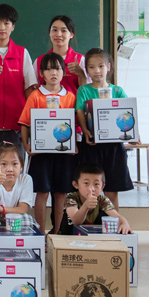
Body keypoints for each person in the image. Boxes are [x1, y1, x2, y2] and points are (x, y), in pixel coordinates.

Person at [19, 53, 76, 234]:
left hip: (63, 154)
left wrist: (74, 145)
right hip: (41, 154)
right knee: (41, 193)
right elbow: (25, 123)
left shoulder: (70, 97)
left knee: (61, 194)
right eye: (49, 69)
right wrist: (26, 145)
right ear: (41, 73)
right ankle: (40, 232)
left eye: (57, 68)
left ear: (64, 72)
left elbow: (75, 126)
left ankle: (57, 233)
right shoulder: (35, 96)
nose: (53, 73)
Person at [76, 48, 134, 210]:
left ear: (109, 67)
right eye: (91, 67)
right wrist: (85, 130)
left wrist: (135, 133)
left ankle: (113, 223)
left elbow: (127, 112)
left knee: (112, 188)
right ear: (86, 70)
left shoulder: (117, 91)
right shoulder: (84, 90)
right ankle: (89, 223)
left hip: (114, 147)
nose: (97, 71)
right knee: (89, 188)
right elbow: (80, 110)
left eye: (101, 66)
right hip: (92, 145)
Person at [0, 4, 37, 154]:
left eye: (6, 23)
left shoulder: (22, 53)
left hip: (15, 127)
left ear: (13, 27)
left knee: (13, 173)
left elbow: (29, 89)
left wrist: (31, 122)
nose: (2, 27)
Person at [59, 162, 132, 235]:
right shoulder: (71, 198)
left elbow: (117, 216)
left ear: (102, 187)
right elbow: (77, 221)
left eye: (96, 184)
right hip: (71, 236)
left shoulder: (102, 200)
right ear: (76, 185)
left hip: (94, 237)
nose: (92, 188)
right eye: (86, 183)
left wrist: (124, 223)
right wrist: (86, 206)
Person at [33, 15, 88, 96]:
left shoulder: (81, 60)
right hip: (46, 107)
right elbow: (33, 89)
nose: (58, 34)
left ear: (71, 34)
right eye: (54, 30)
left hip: (73, 107)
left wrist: (81, 74)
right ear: (49, 33)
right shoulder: (39, 61)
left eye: (63, 30)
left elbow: (88, 92)